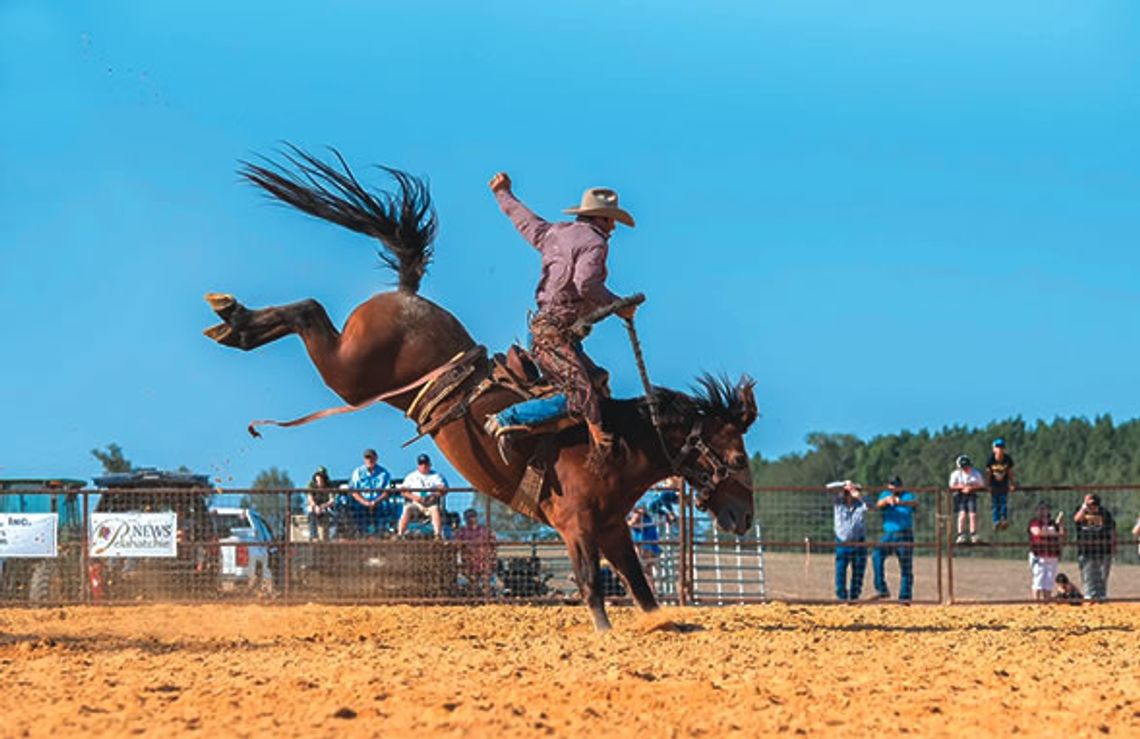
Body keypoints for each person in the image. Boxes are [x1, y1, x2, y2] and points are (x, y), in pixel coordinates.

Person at [482, 172, 639, 462]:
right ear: (600, 219)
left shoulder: (554, 233)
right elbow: (586, 285)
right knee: (582, 395)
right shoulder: (595, 243)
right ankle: (507, 418)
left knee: (596, 383)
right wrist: (619, 306)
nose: (614, 226)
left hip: (547, 329)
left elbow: (523, 219)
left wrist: (503, 193)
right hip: (553, 333)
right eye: (611, 219)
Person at [872, 476, 917, 602]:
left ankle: (905, 597)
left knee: (906, 566)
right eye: (891, 485)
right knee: (876, 555)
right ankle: (881, 588)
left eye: (896, 485)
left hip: (905, 534)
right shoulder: (885, 494)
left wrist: (900, 502)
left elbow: (915, 504)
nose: (893, 488)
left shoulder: (908, 495)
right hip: (889, 534)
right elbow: (878, 505)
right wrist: (886, 501)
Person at [827, 480, 869, 602]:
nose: (851, 493)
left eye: (853, 490)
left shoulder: (861, 503)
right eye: (849, 491)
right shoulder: (838, 502)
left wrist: (859, 495)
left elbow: (871, 506)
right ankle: (842, 597)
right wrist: (844, 483)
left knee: (859, 569)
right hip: (842, 541)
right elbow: (828, 487)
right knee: (840, 570)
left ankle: (854, 596)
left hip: (858, 541)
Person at [1073, 494, 1116, 601]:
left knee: (1102, 575)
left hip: (1103, 549)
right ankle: (1089, 596)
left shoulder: (1105, 513)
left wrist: (1113, 546)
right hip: (1086, 550)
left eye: (1094, 505)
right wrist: (1084, 508)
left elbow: (1112, 531)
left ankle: (1101, 596)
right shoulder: (1080, 511)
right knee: (1088, 575)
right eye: (1090, 504)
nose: (1092, 507)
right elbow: (1077, 519)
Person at [397, 453, 448, 539]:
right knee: (407, 509)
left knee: (435, 510)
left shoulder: (436, 476)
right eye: (421, 464)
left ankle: (438, 535)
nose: (423, 466)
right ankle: (400, 534)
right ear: (418, 465)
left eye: (425, 463)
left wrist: (434, 495)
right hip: (416, 503)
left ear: (430, 464)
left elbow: (443, 489)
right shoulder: (411, 476)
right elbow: (403, 491)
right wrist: (415, 498)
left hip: (430, 503)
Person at [348, 448, 392, 538]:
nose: (369, 460)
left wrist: (376, 501)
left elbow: (387, 491)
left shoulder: (384, 473)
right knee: (356, 511)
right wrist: (365, 502)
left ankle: (380, 535)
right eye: (367, 458)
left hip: (379, 502)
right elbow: (354, 491)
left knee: (385, 509)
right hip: (361, 502)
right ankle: (361, 535)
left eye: (371, 458)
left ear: (376, 458)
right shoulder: (358, 472)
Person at [1027, 501, 1064, 601]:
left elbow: (1061, 534)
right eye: (1040, 509)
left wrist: (1059, 525)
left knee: (1049, 579)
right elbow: (1038, 532)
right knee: (1039, 578)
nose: (1042, 511)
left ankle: (1046, 600)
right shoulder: (1034, 522)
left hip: (1052, 554)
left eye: (1045, 509)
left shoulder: (1053, 523)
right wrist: (1053, 532)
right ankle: (1037, 601)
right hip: (1039, 554)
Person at [455, 508, 497, 594]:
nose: (470, 519)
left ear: (476, 517)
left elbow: (494, 544)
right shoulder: (462, 532)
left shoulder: (485, 530)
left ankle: (487, 599)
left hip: (484, 561)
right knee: (472, 582)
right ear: (465, 519)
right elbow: (457, 545)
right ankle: (474, 599)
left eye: (472, 516)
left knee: (486, 581)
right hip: (469, 562)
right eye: (468, 517)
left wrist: (493, 558)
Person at [949, 455, 986, 544]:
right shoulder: (955, 474)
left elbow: (981, 485)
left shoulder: (975, 473)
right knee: (962, 514)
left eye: (967, 467)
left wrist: (971, 487)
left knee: (972, 514)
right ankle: (960, 534)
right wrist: (962, 487)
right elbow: (951, 486)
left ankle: (973, 534)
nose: (966, 469)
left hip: (971, 494)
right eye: (963, 467)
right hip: (960, 495)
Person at [985, 437, 1017, 531]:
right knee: (995, 503)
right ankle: (996, 521)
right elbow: (988, 473)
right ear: (994, 449)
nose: (1000, 449)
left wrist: (1013, 483)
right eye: (998, 447)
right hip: (994, 485)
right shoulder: (991, 460)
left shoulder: (1007, 459)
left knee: (1003, 502)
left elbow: (1010, 472)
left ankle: (1003, 519)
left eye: (1002, 447)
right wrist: (988, 485)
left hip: (1004, 485)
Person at [627, 503, 661, 591]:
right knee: (647, 571)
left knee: (642, 570)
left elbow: (631, 523)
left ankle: (646, 590)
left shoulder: (641, 518)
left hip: (645, 547)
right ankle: (652, 590)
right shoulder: (648, 519)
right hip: (652, 547)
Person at [305, 466, 337, 541]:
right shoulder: (311, 484)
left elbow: (332, 500)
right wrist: (315, 506)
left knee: (334, 516)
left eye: (322, 476)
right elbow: (310, 498)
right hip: (314, 507)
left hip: (326, 507)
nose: (320, 478)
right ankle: (314, 536)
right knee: (310, 513)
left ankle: (332, 538)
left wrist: (323, 506)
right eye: (318, 476)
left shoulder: (330, 485)